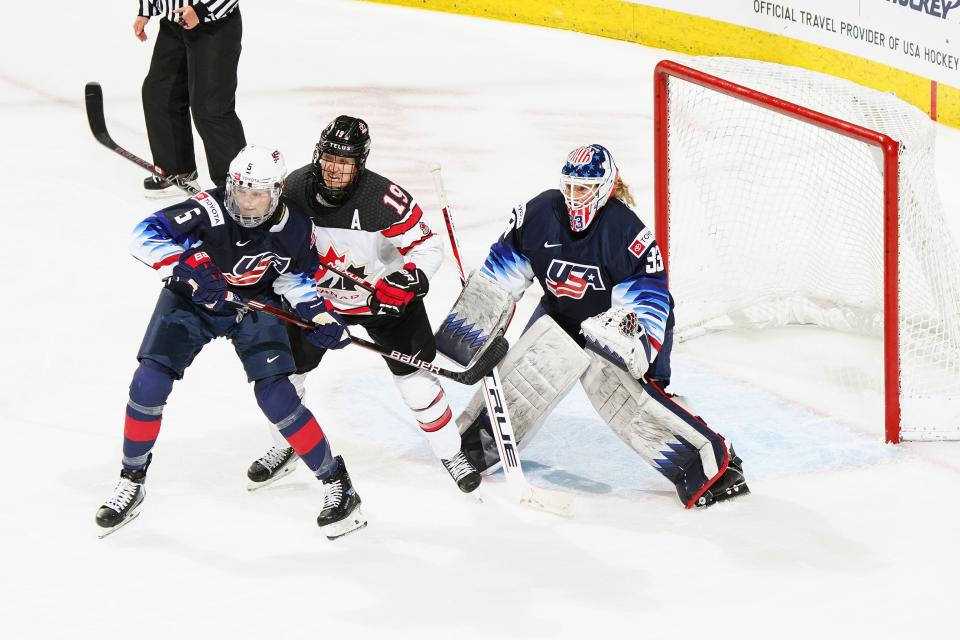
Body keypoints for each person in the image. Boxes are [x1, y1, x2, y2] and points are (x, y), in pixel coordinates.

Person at [438, 144, 749, 509]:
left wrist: (631, 345)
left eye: (582, 188)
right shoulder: (538, 214)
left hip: (621, 329)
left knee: (634, 404)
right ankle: (472, 450)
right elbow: (502, 274)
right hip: (561, 315)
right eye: (568, 186)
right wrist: (477, 322)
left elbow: (649, 301)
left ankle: (715, 464)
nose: (573, 197)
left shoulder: (628, 234)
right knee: (524, 376)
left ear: (604, 188)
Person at [95, 145, 366, 541]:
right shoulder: (208, 209)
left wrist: (320, 314)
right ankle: (131, 479)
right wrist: (181, 263)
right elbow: (143, 234)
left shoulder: (295, 227)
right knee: (148, 382)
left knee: (277, 396)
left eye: (256, 193)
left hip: (255, 306)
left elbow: (295, 279)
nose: (246, 201)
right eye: (240, 190)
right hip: (191, 301)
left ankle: (337, 484)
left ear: (276, 192)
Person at [244, 115, 481, 495]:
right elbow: (265, 240)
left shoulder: (383, 199)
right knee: (285, 378)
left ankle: (451, 453)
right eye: (329, 159)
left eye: (345, 162)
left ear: (361, 164)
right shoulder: (291, 193)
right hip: (315, 303)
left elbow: (427, 245)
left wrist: (407, 280)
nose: (334, 170)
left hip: (383, 303)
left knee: (417, 387)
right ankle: (285, 445)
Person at [134, 1, 246, 197]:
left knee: (211, 108)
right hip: (174, 23)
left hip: (214, 25)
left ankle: (238, 187)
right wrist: (146, 10)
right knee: (160, 94)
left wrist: (201, 10)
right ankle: (178, 171)